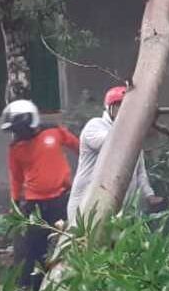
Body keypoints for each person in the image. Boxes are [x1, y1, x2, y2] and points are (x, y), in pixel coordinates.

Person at [2, 99, 80, 290]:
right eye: (15, 130)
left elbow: (80, 147)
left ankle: (69, 283)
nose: (18, 134)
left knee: (69, 241)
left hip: (61, 199)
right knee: (34, 248)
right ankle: (34, 289)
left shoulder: (53, 132)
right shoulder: (16, 149)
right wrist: (14, 201)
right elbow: (16, 178)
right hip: (35, 204)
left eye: (19, 129)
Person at [68, 85, 160, 223]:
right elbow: (112, 145)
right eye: (119, 107)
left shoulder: (132, 136)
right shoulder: (95, 126)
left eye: (129, 108)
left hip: (120, 210)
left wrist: (149, 195)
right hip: (87, 207)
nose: (124, 112)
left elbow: (140, 172)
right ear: (109, 108)